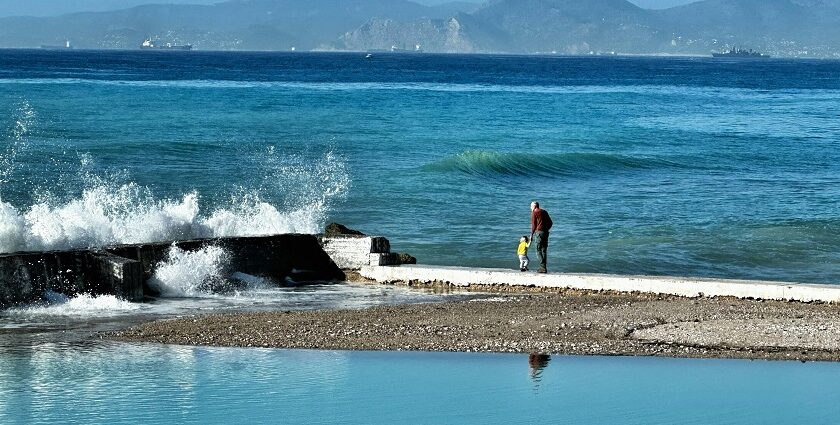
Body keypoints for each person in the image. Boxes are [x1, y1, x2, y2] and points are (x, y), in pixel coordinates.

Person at [530, 201, 553, 273]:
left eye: (531, 206)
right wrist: (546, 229)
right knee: (544, 250)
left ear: (534, 206)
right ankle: (544, 268)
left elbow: (534, 225)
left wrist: (531, 234)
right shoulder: (544, 211)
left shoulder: (534, 212)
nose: (530, 207)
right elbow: (551, 222)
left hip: (539, 233)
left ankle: (542, 267)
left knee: (538, 250)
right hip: (546, 232)